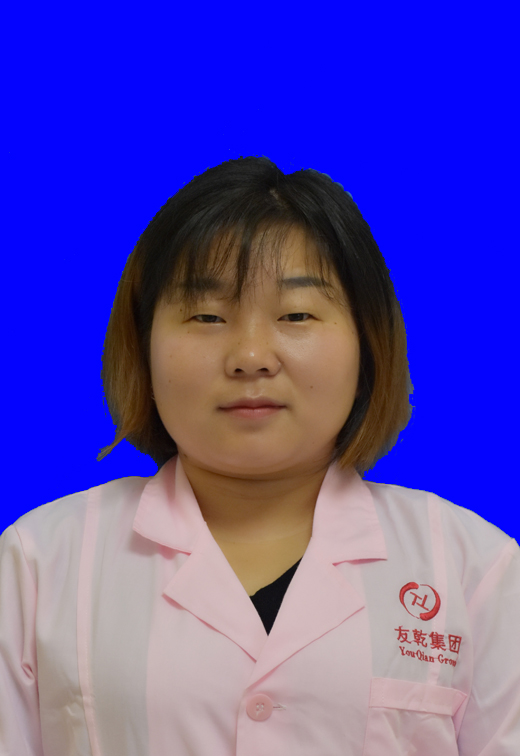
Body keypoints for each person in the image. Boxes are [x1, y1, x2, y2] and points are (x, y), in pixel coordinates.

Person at [0, 156, 519, 755]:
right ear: (143, 344)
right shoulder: (40, 563)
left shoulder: (472, 570)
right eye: (207, 316)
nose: (250, 356)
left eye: (296, 315)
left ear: (367, 343)